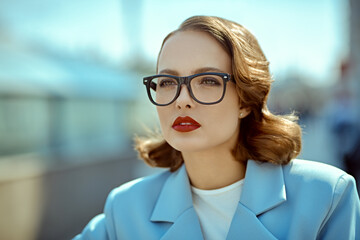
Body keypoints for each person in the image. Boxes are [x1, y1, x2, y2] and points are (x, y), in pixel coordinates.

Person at [74, 16, 360, 240]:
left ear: (246, 101)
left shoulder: (327, 197)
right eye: (167, 82)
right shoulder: (125, 209)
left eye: (208, 80)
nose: (182, 100)